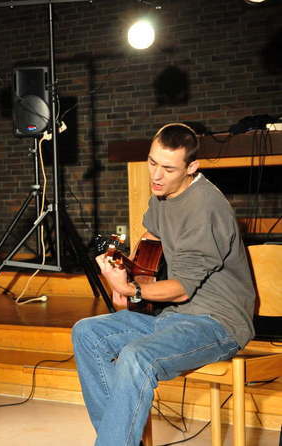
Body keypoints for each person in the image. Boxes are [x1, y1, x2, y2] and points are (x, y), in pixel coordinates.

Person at [71, 123, 255, 446]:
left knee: (135, 356)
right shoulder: (163, 194)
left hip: (217, 323)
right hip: (173, 317)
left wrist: (132, 291)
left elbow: (183, 287)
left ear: (191, 168)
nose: (155, 175)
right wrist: (126, 271)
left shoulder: (207, 207)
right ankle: (120, 439)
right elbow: (150, 241)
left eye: (168, 168)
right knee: (87, 333)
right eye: (152, 162)